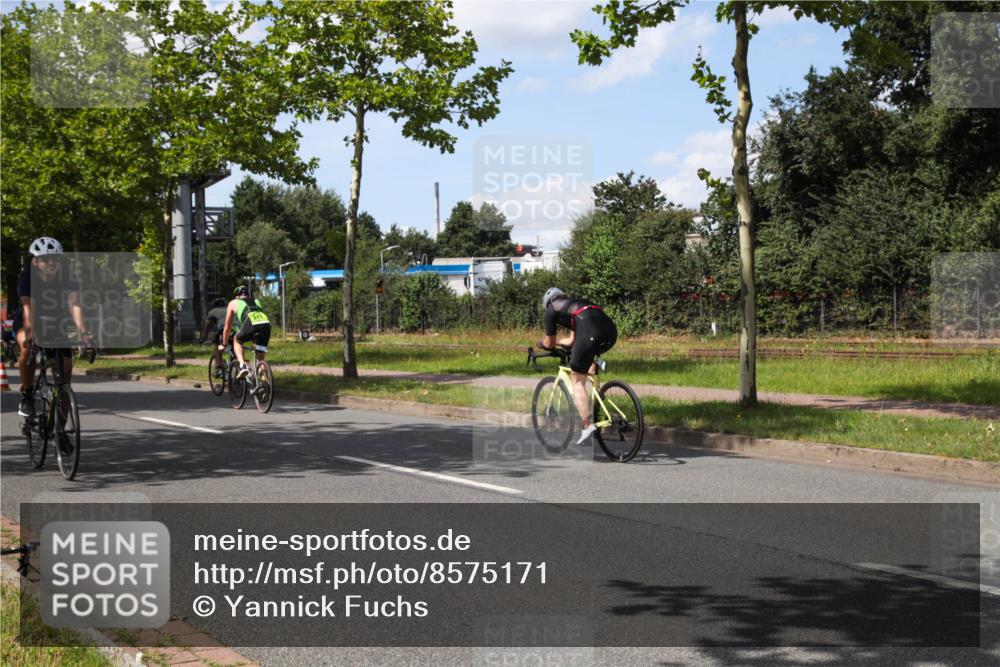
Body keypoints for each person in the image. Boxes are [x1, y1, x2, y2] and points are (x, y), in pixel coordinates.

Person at [15, 237, 94, 417]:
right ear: (36, 261)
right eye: (45, 259)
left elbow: (74, 304)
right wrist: (30, 332)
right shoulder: (27, 275)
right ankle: (27, 395)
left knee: (64, 379)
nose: (51, 262)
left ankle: (62, 430)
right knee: (26, 347)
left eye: (55, 258)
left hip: (55, 324)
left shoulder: (67, 274)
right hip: (29, 321)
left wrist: (85, 332)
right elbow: (29, 305)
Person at [539, 287, 617, 444]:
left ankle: (587, 426)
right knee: (590, 367)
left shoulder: (551, 310)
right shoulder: (576, 304)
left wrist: (541, 344)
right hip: (610, 332)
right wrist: (562, 343)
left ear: (548, 303)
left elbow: (549, 343)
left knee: (577, 380)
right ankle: (598, 414)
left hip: (590, 334)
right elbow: (572, 341)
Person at [221, 285, 271, 380]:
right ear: (248, 295)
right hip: (265, 325)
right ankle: (265, 385)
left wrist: (224, 343)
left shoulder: (233, 302)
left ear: (236, 296)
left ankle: (243, 365)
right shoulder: (256, 301)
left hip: (251, 322)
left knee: (237, 340)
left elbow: (227, 326)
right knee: (260, 359)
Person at [200, 298, 229, 376]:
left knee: (217, 346)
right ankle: (237, 365)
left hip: (224, 329)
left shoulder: (212, 312)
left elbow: (207, 327)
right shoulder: (228, 309)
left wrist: (203, 338)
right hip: (236, 329)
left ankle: (219, 368)